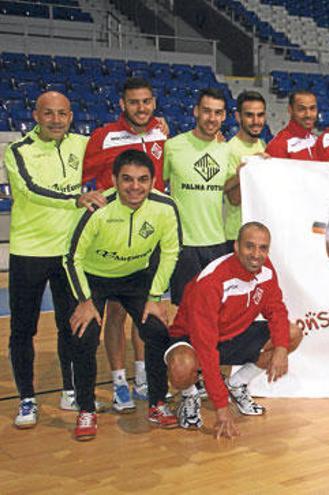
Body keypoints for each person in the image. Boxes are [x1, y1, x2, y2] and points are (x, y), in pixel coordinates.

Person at [65, 149, 181, 440]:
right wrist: (84, 300)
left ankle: (156, 402)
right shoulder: (98, 209)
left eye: (143, 180)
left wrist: (155, 297)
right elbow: (71, 257)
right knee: (84, 334)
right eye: (127, 179)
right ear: (114, 180)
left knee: (156, 331)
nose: (135, 186)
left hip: (135, 278)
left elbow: (170, 252)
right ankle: (87, 409)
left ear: (154, 181)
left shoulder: (165, 207)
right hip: (94, 278)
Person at [4, 91, 103, 428]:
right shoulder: (17, 151)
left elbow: (118, 151)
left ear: (71, 116)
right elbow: (30, 190)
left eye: (62, 114)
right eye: (49, 114)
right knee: (22, 329)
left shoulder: (82, 144)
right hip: (29, 251)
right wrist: (76, 199)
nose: (56, 120)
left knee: (69, 326)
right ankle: (27, 399)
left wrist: (156, 129)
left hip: (68, 255)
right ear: (36, 116)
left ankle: (69, 390)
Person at [165, 222, 304, 438]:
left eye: (263, 248)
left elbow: (276, 309)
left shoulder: (266, 269)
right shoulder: (212, 281)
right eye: (250, 246)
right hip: (193, 338)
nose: (256, 255)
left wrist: (281, 349)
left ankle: (237, 384)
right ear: (236, 247)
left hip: (232, 334)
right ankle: (189, 395)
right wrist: (221, 409)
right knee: (182, 366)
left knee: (291, 333)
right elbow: (206, 346)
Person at [82, 77, 168, 411]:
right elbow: (78, 176)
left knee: (146, 311)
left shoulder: (161, 131)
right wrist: (81, 196)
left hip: (151, 234)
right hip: (114, 239)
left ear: (154, 103)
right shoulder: (104, 137)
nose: (141, 108)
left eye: (146, 101)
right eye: (134, 102)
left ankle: (142, 375)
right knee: (116, 315)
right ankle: (119, 382)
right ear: (122, 104)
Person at [163, 88, 238, 305]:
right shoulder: (173, 146)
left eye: (217, 113)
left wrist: (244, 173)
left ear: (224, 116)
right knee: (184, 307)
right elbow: (158, 185)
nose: (211, 118)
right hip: (183, 243)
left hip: (216, 241)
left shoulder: (226, 150)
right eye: (206, 111)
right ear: (196, 111)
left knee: (214, 305)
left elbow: (222, 187)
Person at [222, 91, 267, 252]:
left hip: (257, 232)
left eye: (260, 115)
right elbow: (233, 199)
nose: (256, 121)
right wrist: (250, 170)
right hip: (236, 234)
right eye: (249, 115)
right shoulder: (230, 149)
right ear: (238, 117)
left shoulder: (262, 145)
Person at [264, 89, 318, 160]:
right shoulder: (278, 145)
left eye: (312, 108)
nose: (308, 114)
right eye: (301, 109)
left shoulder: (317, 141)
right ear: (290, 110)